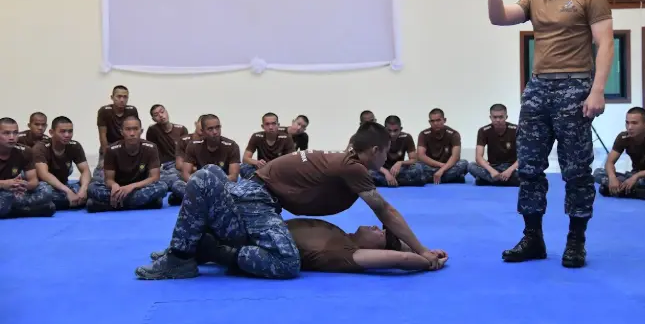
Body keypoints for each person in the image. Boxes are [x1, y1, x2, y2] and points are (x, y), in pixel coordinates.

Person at [134, 121, 443, 280]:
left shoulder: (342, 161)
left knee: (209, 177)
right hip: (258, 199)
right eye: (385, 152)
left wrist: (415, 252)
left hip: (256, 200)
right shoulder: (352, 167)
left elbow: (390, 249)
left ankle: (190, 250)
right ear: (375, 150)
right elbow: (386, 211)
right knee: (286, 261)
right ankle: (184, 254)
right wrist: (422, 252)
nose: (387, 159)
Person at [488, 0, 614, 268]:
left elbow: (605, 43)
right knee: (529, 167)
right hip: (538, 88)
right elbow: (498, 17)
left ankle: (576, 241)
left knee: (576, 169)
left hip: (575, 85)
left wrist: (597, 90)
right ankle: (533, 238)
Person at [149, 219, 448, 273]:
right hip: (255, 230)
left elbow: (397, 260)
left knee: (217, 247)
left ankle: (201, 253)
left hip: (259, 251)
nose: (374, 227)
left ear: (380, 247)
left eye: (380, 233)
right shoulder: (339, 231)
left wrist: (427, 261)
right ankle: (183, 252)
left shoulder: (350, 254)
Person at [86, 116, 168, 212]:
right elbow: (109, 179)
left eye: (135, 129)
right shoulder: (111, 150)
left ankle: (111, 205)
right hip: (118, 189)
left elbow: (154, 178)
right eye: (128, 129)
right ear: (122, 132)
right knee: (92, 187)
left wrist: (132, 186)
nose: (132, 133)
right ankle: (144, 203)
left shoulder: (151, 148)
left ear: (141, 131)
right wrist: (114, 185)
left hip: (139, 187)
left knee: (162, 187)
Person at [594, 107, 645, 201]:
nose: (630, 127)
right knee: (598, 173)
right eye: (627, 123)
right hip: (633, 176)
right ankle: (641, 192)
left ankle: (619, 190)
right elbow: (609, 162)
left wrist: (637, 176)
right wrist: (612, 178)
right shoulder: (623, 137)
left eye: (634, 123)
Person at [167, 114, 241, 205]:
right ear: (202, 131)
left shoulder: (232, 146)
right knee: (177, 185)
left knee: (239, 190)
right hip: (200, 186)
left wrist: (212, 185)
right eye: (210, 129)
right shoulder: (193, 145)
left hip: (222, 186)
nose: (215, 132)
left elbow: (233, 177)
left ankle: (196, 200)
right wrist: (201, 185)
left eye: (217, 127)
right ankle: (209, 201)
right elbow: (185, 173)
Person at [0, 117, 56, 218]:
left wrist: (21, 185)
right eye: (6, 133)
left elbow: (33, 181)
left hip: (14, 192)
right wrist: (4, 184)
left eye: (15, 133)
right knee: (5, 199)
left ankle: (11, 209)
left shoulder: (24, 151)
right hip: (4, 191)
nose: (12, 137)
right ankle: (24, 210)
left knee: (46, 189)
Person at [34, 116, 91, 210]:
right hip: (46, 185)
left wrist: (83, 189)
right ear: (51, 132)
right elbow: (44, 174)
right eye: (62, 131)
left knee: (92, 187)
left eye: (70, 131)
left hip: (63, 184)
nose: (67, 135)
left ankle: (70, 201)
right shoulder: (41, 147)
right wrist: (68, 191)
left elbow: (85, 170)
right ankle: (76, 201)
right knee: (45, 193)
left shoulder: (75, 146)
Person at [94, 85, 139, 180]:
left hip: (127, 146)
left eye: (125, 97)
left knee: (133, 173)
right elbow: (102, 135)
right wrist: (107, 157)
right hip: (109, 146)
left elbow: (135, 131)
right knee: (99, 177)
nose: (122, 100)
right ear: (112, 97)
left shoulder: (132, 110)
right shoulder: (104, 111)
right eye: (119, 96)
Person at [468, 104, 519, 186]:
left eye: (501, 117)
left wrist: (509, 171)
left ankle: (486, 180)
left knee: (529, 172)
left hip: (510, 167)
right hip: (493, 166)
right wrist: (492, 171)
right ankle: (505, 180)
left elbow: (523, 156)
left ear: (506, 117)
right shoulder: (483, 131)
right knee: (471, 166)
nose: (498, 120)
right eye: (495, 117)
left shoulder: (516, 130)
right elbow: (478, 157)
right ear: (490, 117)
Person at [415, 108, 468, 184]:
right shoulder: (423, 134)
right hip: (431, 166)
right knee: (417, 166)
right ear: (429, 122)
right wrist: (440, 165)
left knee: (464, 164)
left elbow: (455, 157)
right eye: (432, 121)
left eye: (438, 120)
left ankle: (429, 178)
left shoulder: (454, 134)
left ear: (444, 120)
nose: (435, 123)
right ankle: (452, 177)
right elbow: (421, 156)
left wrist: (442, 170)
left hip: (447, 166)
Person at [369, 115, 424, 187]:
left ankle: (388, 182)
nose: (392, 134)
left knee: (418, 168)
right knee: (368, 172)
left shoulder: (406, 137)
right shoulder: (378, 138)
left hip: (399, 171)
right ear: (384, 129)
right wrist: (386, 173)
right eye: (389, 130)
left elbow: (414, 159)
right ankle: (398, 181)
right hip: (382, 170)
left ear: (400, 129)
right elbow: (372, 162)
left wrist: (400, 163)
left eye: (395, 130)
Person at [145, 104, 188, 191]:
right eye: (156, 115)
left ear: (167, 112)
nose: (161, 115)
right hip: (164, 166)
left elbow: (186, 152)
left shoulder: (181, 129)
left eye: (162, 111)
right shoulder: (153, 130)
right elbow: (151, 153)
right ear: (153, 119)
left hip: (178, 165)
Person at [240, 112, 295, 179]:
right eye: (267, 124)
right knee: (243, 167)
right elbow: (245, 159)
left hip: (279, 170)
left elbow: (292, 161)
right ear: (262, 126)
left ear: (278, 125)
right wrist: (257, 162)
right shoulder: (256, 136)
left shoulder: (287, 138)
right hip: (262, 170)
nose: (271, 127)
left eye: (273, 124)